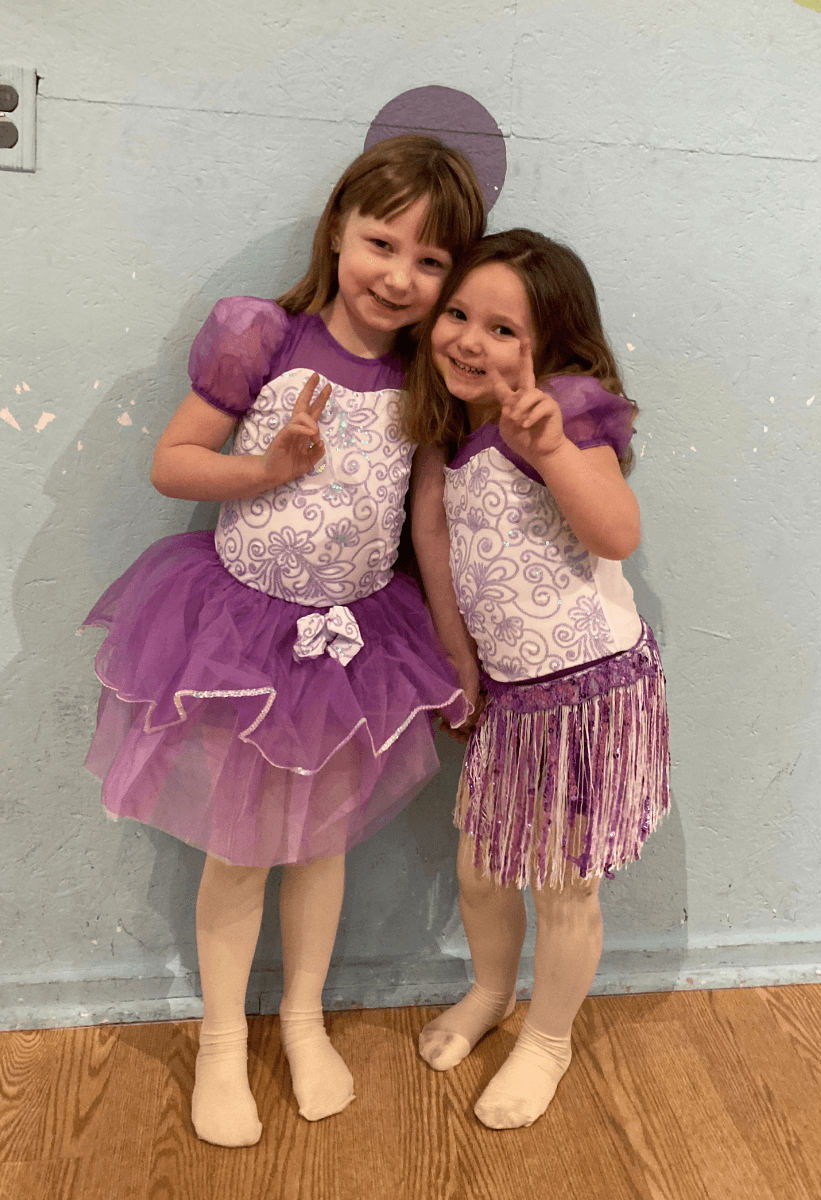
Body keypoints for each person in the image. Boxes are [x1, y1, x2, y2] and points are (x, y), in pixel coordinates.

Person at [81, 135, 486, 1147]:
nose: (399, 275)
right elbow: (174, 463)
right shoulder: (264, 337)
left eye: (430, 260)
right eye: (381, 242)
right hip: (239, 638)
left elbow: (427, 527)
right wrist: (267, 468)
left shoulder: (424, 375)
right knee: (240, 850)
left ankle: (303, 1019)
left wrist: (455, 648)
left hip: (354, 644)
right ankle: (224, 1038)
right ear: (338, 230)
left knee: (321, 842)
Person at [406, 229, 670, 1129]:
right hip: (511, 702)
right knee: (481, 870)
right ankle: (489, 991)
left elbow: (617, 532)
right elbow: (436, 549)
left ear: (552, 346)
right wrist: (456, 658)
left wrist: (554, 448)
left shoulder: (560, 410)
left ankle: (549, 1037)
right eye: (459, 315)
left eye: (504, 329)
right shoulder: (447, 440)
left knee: (564, 884)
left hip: (588, 694)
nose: (471, 341)